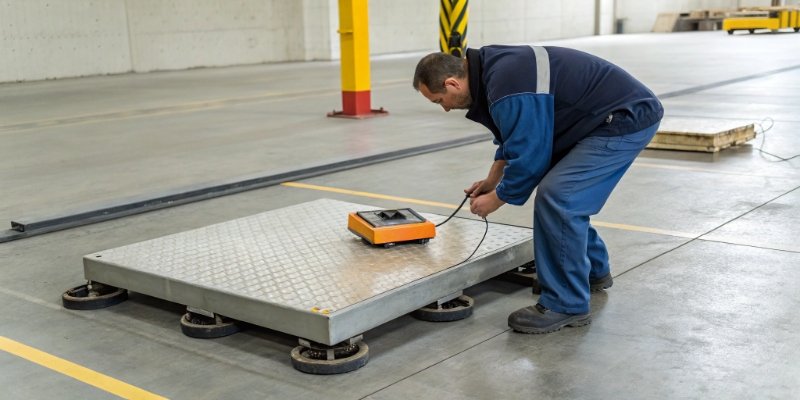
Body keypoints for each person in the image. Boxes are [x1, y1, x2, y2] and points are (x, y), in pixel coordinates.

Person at [413, 44, 663, 334]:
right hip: (592, 119)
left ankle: (565, 304)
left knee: (560, 197)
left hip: (623, 117)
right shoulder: (490, 72)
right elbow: (513, 136)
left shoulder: (506, 86)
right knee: (564, 197)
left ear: (452, 83)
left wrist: (498, 198)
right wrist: (492, 180)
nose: (445, 108)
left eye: (440, 100)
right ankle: (593, 271)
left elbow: (530, 155)